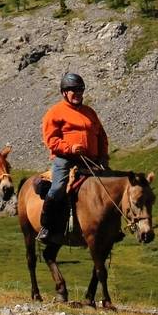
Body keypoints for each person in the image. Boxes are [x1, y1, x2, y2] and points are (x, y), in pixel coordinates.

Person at [36, 72, 108, 244]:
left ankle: (110, 227)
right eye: (72, 90)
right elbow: (51, 140)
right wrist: (70, 148)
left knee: (110, 187)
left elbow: (101, 137)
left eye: (80, 89)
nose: (77, 93)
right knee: (58, 187)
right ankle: (46, 226)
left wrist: (103, 157)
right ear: (64, 93)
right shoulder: (55, 112)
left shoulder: (90, 112)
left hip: (91, 160)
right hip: (65, 159)